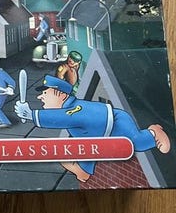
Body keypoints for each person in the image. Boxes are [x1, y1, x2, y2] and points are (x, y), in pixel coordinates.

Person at [14, 75, 171, 182]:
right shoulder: (68, 109)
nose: (40, 97)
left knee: (136, 142)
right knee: (85, 148)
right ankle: (84, 171)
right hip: (97, 137)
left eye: (45, 93)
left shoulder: (74, 109)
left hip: (116, 123)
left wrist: (31, 115)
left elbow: (62, 118)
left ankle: (153, 133)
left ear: (61, 95)